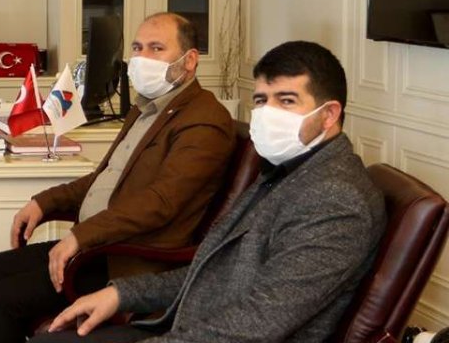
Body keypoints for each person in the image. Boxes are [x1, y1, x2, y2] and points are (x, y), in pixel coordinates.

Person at [35, 40, 385, 343]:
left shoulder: (336, 199)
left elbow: (259, 323)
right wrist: (120, 295)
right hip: (195, 325)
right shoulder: (289, 170)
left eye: (287, 101)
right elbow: (216, 272)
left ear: (329, 114)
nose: (269, 113)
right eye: (262, 100)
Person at [0, 12, 236, 343]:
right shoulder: (147, 109)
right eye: (137, 47)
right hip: (96, 245)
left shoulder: (204, 121)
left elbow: (161, 203)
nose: (142, 58)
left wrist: (80, 237)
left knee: (3, 299)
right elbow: (103, 179)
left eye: (157, 48)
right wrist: (44, 202)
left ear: (190, 60)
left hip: (128, 258)